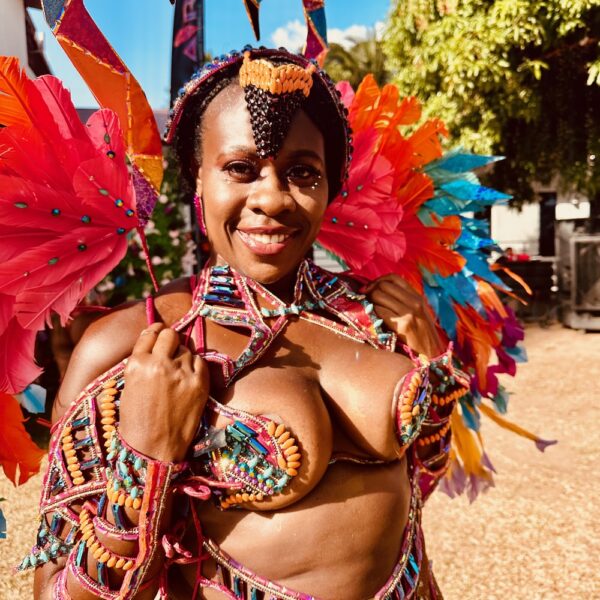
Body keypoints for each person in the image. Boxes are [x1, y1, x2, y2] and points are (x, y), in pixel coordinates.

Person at [26, 48, 468, 600]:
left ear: (330, 187)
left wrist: (431, 369)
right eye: (241, 168)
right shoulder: (130, 347)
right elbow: (54, 594)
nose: (272, 198)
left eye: (302, 173)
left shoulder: (369, 314)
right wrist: (146, 456)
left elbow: (425, 469)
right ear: (198, 182)